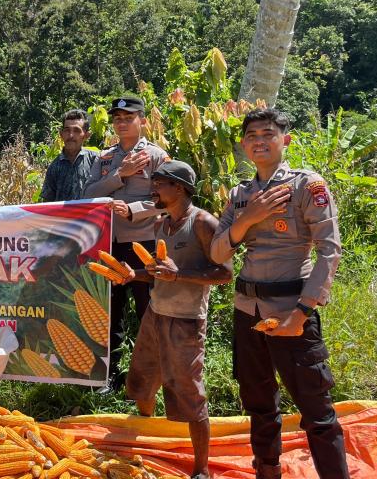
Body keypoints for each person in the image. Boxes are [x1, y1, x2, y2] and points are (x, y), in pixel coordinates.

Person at [211, 108, 349, 479]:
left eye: (268, 133)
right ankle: (267, 470)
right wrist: (247, 219)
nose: (259, 140)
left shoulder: (308, 185)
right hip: (248, 310)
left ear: (284, 140)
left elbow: (330, 250)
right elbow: (218, 252)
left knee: (316, 410)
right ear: (243, 144)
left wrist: (301, 314)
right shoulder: (241, 195)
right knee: (258, 402)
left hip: (291, 309)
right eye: (252, 135)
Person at [121, 161, 232, 479]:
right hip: (155, 316)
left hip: (185, 322)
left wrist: (179, 274)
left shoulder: (203, 223)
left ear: (180, 188)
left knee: (189, 394)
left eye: (159, 183)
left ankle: (202, 469)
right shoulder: (161, 225)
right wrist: (134, 275)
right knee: (142, 385)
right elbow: (160, 273)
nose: (153, 189)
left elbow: (225, 274)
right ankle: (149, 437)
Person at [83, 96, 169, 390]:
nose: (121, 122)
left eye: (128, 117)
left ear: (142, 121)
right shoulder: (104, 158)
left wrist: (133, 210)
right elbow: (88, 194)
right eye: (117, 118)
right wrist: (121, 174)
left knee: (149, 311)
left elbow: (167, 201)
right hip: (110, 244)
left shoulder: (157, 156)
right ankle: (109, 377)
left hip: (144, 244)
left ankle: (149, 379)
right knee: (111, 312)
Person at [40, 109, 99, 202]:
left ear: (86, 135)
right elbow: (47, 202)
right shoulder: (54, 166)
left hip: (89, 216)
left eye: (76, 130)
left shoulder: (96, 161)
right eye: (67, 130)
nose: (71, 135)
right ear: (61, 134)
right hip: (61, 216)